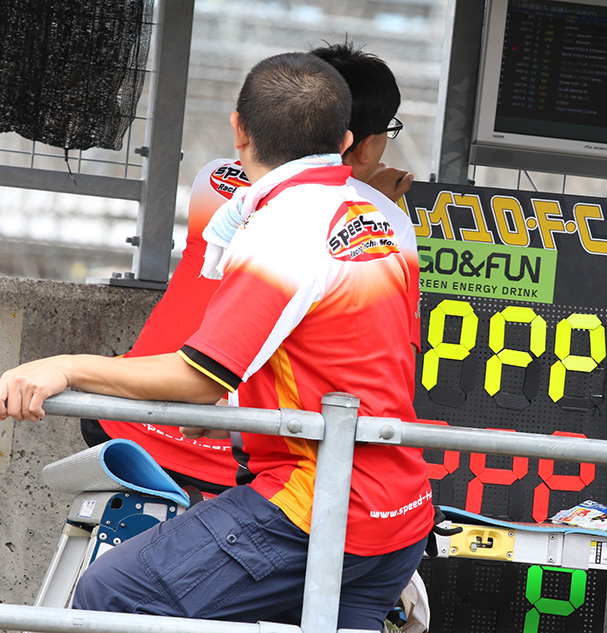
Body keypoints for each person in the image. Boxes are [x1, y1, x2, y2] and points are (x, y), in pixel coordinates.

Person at [0, 52, 434, 630]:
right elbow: (350, 361)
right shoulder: (381, 222)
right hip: (401, 514)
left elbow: (200, 377)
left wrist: (65, 366)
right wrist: (238, 412)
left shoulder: (284, 227)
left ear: (238, 129)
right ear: (348, 139)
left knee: (112, 593)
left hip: (317, 504)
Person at [80, 41, 416, 497]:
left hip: (124, 420)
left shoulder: (214, 177)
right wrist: (375, 197)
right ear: (360, 144)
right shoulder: (386, 221)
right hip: (234, 454)